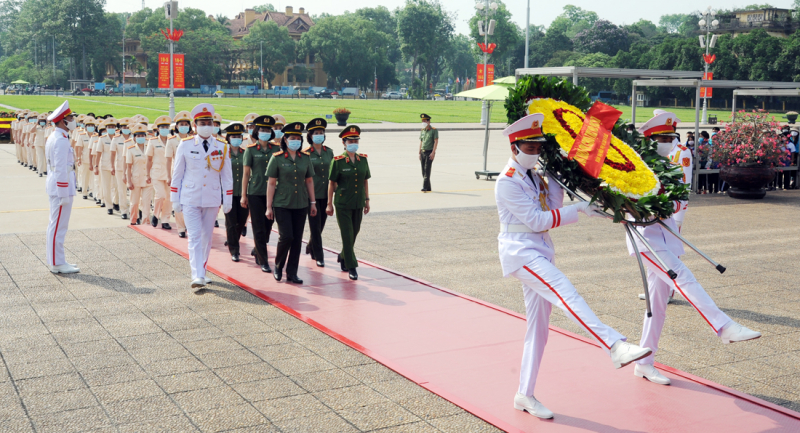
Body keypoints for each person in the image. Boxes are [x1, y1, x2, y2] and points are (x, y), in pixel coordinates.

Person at [496, 113, 651, 419]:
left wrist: (558, 176)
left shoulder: (533, 175)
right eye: (529, 147)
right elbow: (538, 220)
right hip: (520, 252)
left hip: (539, 249)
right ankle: (614, 345)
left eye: (539, 147)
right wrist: (580, 209)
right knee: (566, 292)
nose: (535, 152)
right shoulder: (507, 182)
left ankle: (524, 394)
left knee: (538, 330)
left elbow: (552, 208)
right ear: (514, 147)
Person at [628, 112, 761, 386]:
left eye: (670, 138)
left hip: (667, 237)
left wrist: (664, 201)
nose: (667, 143)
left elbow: (679, 201)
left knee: (657, 307)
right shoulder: (633, 167)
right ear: (649, 140)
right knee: (684, 278)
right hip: (645, 240)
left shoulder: (672, 166)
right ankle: (723, 326)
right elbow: (623, 200)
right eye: (662, 138)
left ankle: (643, 363)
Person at [170, 103, 233, 289]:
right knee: (194, 236)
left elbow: (227, 177)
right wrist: (175, 199)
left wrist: (227, 199)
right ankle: (197, 275)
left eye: (209, 122)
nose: (206, 126)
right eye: (202, 123)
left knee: (207, 237)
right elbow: (177, 174)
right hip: (190, 197)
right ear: (195, 125)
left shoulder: (222, 146)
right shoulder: (186, 144)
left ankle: (203, 272)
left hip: (212, 198)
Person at [266, 121, 316, 283]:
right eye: (292, 138)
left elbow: (309, 181)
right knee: (286, 236)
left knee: (297, 239)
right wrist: (268, 207)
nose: (296, 141)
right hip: (282, 203)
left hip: (301, 203)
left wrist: (313, 202)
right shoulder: (277, 158)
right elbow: (271, 183)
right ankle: (278, 265)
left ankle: (292, 272)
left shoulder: (305, 158)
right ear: (285, 140)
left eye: (298, 138)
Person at [326, 125, 370, 281]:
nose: (353, 143)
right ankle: (352, 266)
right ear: (344, 143)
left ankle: (343, 255)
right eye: (350, 141)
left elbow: (365, 181)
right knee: (347, 234)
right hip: (343, 203)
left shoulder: (363, 159)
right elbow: (331, 184)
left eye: (355, 140)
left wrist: (367, 200)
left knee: (354, 232)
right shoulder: (337, 161)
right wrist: (329, 204)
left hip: (358, 202)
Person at [45, 101, 80, 274]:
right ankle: (56, 263)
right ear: (62, 121)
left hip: (60, 185)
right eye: (70, 117)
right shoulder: (60, 140)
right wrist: (63, 192)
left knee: (57, 225)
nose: (73, 120)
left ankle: (58, 260)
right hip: (61, 188)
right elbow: (59, 168)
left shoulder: (58, 137)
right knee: (58, 226)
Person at [242, 115, 280, 273]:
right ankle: (263, 259)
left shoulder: (276, 149)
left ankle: (259, 247)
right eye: (262, 130)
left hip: (273, 193)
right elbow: (246, 174)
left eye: (267, 130)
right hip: (255, 192)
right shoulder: (250, 150)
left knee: (268, 225)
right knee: (258, 226)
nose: (265, 132)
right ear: (257, 131)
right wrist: (243, 195)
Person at [304, 118, 334, 267]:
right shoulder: (305, 153)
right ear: (310, 135)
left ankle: (310, 245)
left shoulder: (329, 152)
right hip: (312, 196)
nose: (319, 135)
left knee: (320, 226)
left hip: (326, 194)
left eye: (321, 132)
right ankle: (319, 255)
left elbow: (333, 173)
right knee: (315, 226)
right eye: (316, 133)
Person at [165, 110, 193, 237]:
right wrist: (168, 176)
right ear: (176, 126)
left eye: (186, 124)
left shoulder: (194, 139)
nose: (184, 126)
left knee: (191, 200)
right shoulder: (171, 141)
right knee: (178, 201)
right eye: (181, 124)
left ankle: (189, 224)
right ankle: (181, 228)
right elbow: (168, 159)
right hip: (177, 174)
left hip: (192, 174)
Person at [223, 123, 248, 262]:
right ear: (228, 137)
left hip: (243, 193)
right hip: (228, 193)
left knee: (241, 221)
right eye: (234, 136)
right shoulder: (224, 153)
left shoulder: (246, 153)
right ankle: (234, 250)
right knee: (231, 222)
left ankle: (232, 239)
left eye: (239, 136)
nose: (236, 139)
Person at [146, 115, 173, 229]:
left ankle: (165, 220)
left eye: (166, 126)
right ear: (157, 129)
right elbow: (149, 159)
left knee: (169, 198)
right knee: (160, 195)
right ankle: (156, 215)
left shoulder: (172, 141)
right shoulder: (152, 141)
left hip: (170, 173)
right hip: (157, 172)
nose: (164, 129)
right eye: (162, 127)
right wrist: (147, 174)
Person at [126, 123, 154, 226]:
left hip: (148, 178)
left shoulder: (150, 147)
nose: (140, 138)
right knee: (134, 202)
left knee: (146, 202)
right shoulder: (131, 149)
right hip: (136, 179)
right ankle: (133, 219)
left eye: (142, 135)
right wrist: (129, 181)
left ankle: (145, 222)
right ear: (134, 137)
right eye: (138, 136)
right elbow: (128, 167)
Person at [92, 118, 116, 213]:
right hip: (105, 165)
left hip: (116, 165)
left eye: (113, 127)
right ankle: (109, 206)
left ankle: (116, 202)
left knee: (116, 186)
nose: (111, 129)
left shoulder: (118, 138)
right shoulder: (102, 139)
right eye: (109, 127)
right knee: (106, 186)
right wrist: (96, 166)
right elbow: (98, 153)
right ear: (106, 128)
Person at [111, 118, 131, 220]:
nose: (126, 129)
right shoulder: (116, 139)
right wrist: (112, 166)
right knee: (122, 190)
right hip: (120, 168)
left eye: (128, 127)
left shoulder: (134, 138)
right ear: (121, 128)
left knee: (133, 191)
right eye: (124, 127)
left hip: (133, 168)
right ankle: (124, 211)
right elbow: (113, 154)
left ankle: (134, 210)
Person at [75, 116, 96, 199]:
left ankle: (91, 191)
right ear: (86, 127)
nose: (90, 127)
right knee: (85, 176)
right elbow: (79, 148)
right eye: (89, 126)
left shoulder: (96, 136)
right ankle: (84, 192)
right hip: (85, 159)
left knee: (93, 177)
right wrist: (79, 158)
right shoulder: (82, 135)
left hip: (94, 160)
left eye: (92, 126)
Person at [419, 113, 438, 192]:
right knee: (423, 171)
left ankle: (424, 187)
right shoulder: (422, 131)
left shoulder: (434, 130)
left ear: (428, 121)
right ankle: (428, 187)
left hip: (429, 152)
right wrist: (419, 152)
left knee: (427, 170)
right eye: (422, 120)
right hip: (423, 152)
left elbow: (436, 142)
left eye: (424, 120)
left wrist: (433, 152)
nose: (423, 122)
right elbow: (421, 142)